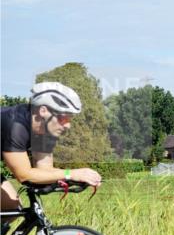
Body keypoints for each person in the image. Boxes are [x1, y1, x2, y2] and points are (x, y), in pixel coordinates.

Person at [1, 82, 102, 217]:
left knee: (11, 209)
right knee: (11, 206)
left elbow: (44, 172)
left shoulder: (45, 131)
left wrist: (79, 177)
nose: (67, 125)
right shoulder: (15, 126)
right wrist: (70, 174)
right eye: (62, 118)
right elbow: (24, 175)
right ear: (43, 111)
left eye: (70, 118)